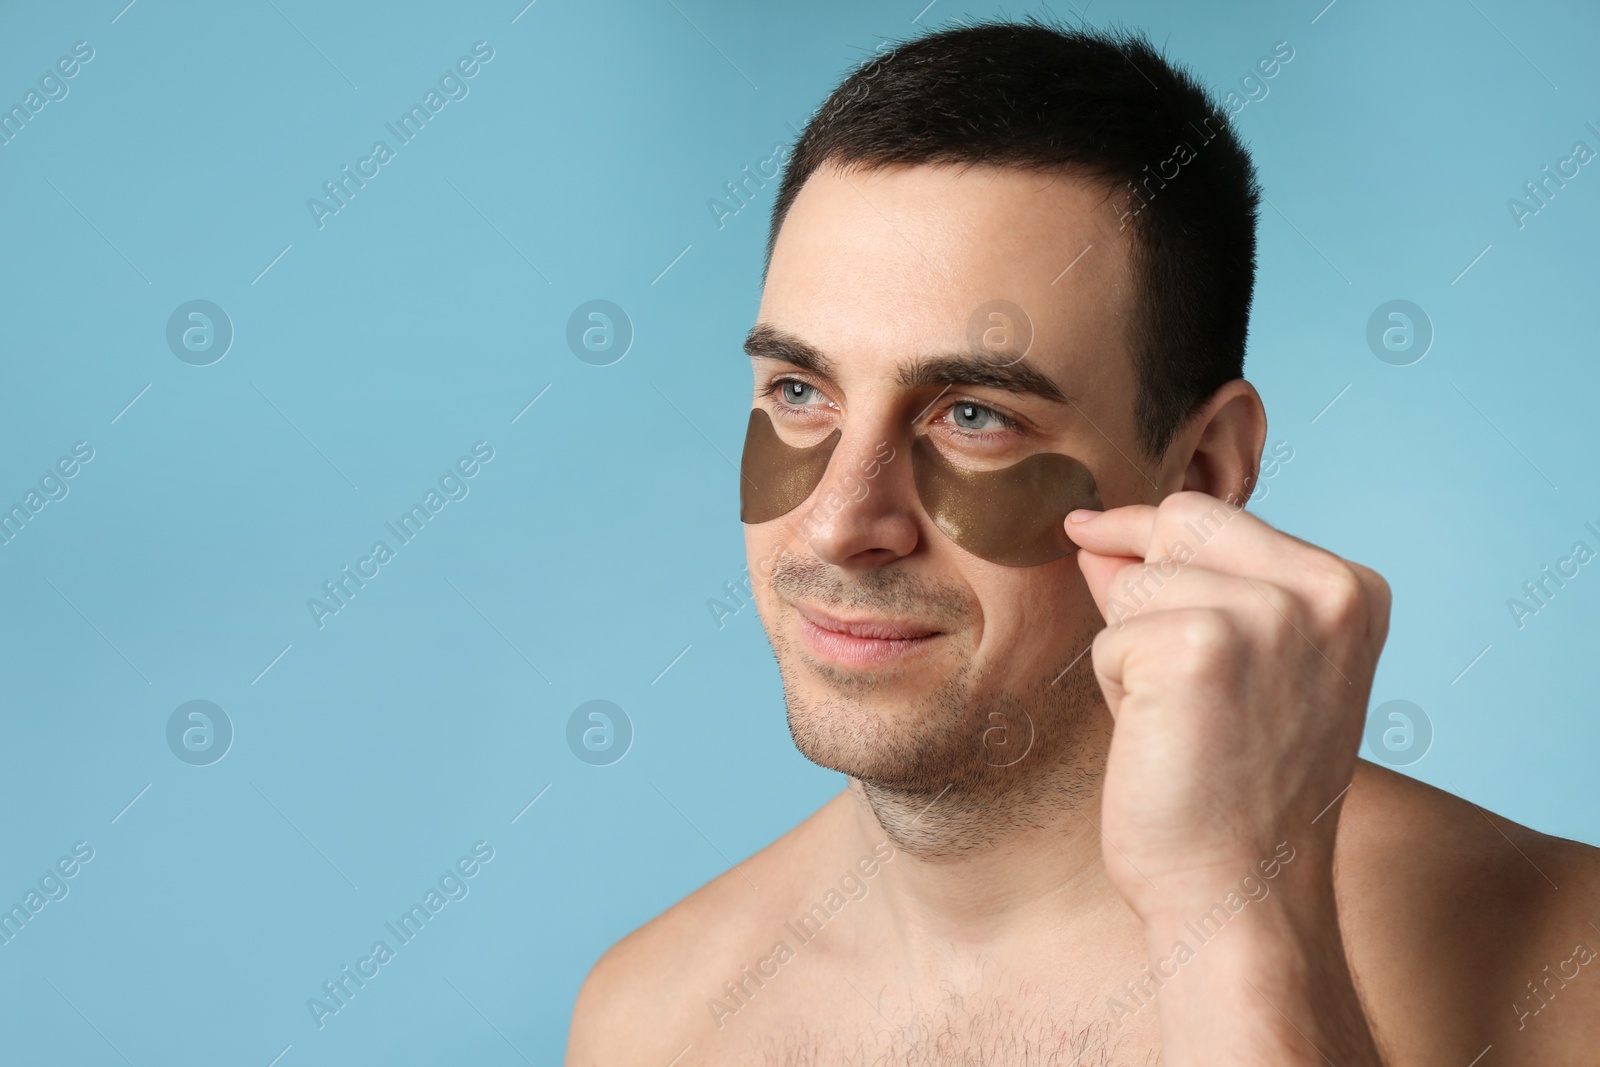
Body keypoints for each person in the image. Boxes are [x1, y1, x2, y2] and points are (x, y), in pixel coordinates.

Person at [566, 18, 1600, 1065]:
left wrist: (1235, 909)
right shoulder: (654, 1017)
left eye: (974, 414)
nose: (840, 522)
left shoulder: (1565, 966)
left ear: (1201, 469)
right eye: (799, 390)